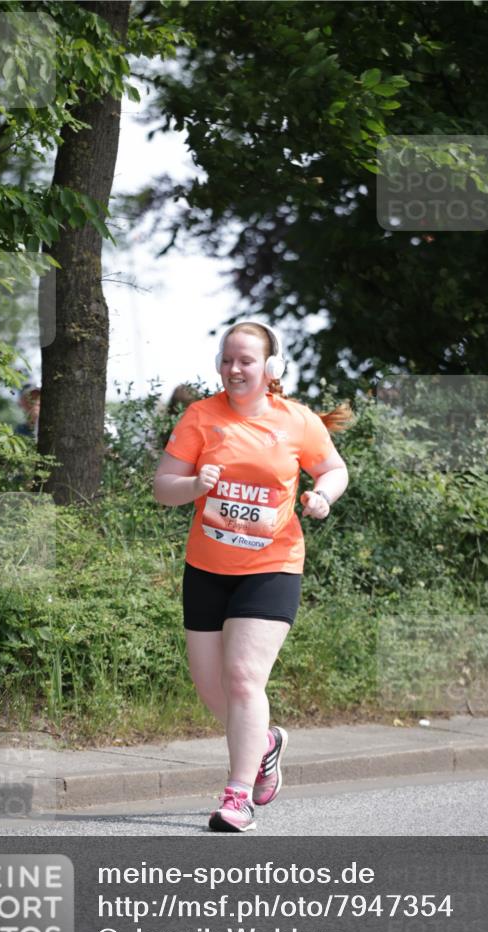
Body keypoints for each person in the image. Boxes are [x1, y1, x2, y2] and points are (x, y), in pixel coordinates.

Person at [153, 319, 349, 832]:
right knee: (210, 688)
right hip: (206, 568)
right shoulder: (201, 417)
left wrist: (322, 496)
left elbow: (334, 468)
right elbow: (163, 487)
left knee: (242, 678)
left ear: (270, 367)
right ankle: (263, 743)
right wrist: (195, 483)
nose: (234, 369)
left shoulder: (297, 421)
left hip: (272, 567)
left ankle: (238, 797)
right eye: (227, 359)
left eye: (245, 360)